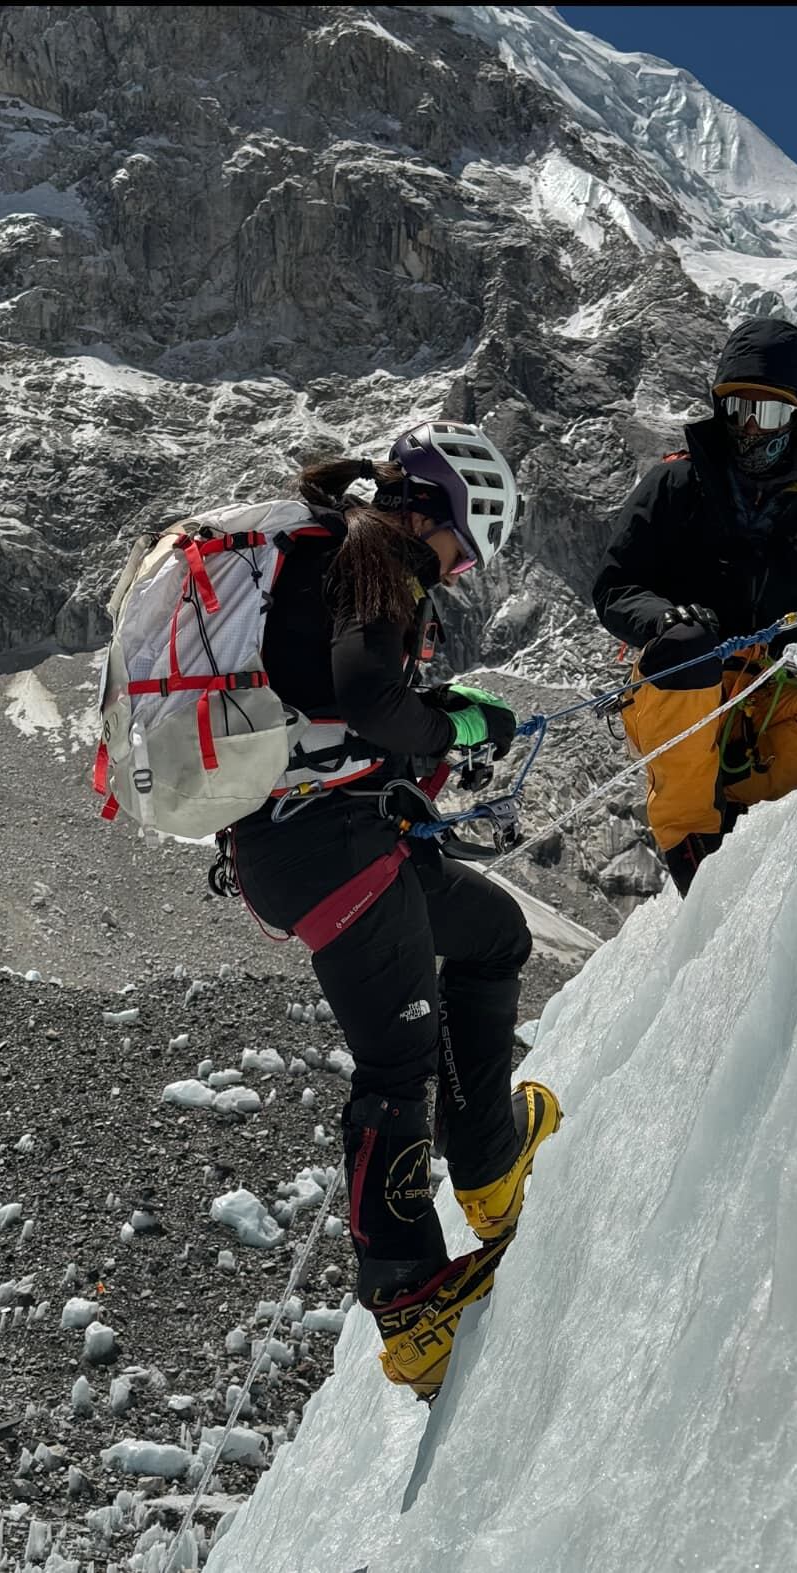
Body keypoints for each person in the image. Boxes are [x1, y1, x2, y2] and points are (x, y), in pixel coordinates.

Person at [229, 421, 561, 1400]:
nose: (458, 571)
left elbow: (339, 707)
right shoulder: (380, 555)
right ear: (437, 514)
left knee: (493, 933)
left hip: (323, 843)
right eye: (465, 545)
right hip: (327, 850)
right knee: (395, 1063)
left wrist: (444, 727)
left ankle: (490, 1161)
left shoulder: (340, 552)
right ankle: (411, 1307)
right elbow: (372, 698)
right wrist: (456, 719)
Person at [592, 319, 797, 895]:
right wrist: (663, 619)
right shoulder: (675, 485)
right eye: (738, 409)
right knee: (686, 647)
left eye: (770, 413)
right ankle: (691, 845)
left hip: (768, 698)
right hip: (676, 689)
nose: (752, 427)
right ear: (719, 409)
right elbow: (615, 586)